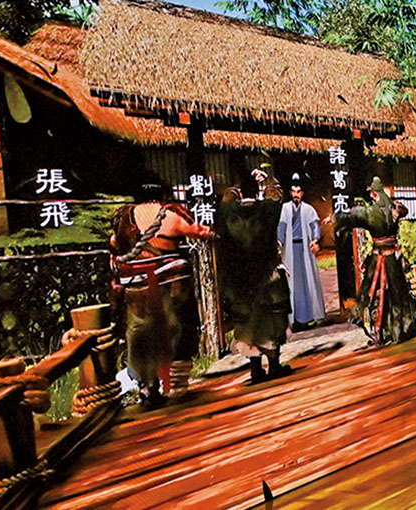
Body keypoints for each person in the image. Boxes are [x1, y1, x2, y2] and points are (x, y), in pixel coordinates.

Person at [110, 181, 214, 408]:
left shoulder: (124, 217)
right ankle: (173, 385)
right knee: (176, 328)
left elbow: (114, 242)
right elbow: (196, 231)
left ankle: (147, 387)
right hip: (170, 285)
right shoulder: (170, 214)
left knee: (140, 333)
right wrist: (210, 233)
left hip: (136, 287)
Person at [218, 168, 293, 383]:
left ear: (240, 194)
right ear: (257, 192)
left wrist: (234, 188)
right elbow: (276, 195)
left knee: (247, 322)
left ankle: (255, 368)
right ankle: (274, 365)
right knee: (272, 320)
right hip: (267, 275)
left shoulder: (229, 214)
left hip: (241, 279)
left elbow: (224, 202)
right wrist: (267, 179)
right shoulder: (267, 210)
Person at [330, 176, 416, 344]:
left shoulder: (371, 212)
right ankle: (399, 331)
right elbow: (404, 211)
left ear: (374, 193)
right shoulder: (395, 207)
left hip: (378, 258)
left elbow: (352, 216)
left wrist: (335, 218)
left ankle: (377, 329)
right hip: (393, 258)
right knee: (397, 294)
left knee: (370, 291)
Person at [278, 173, 325, 330]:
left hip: (304, 250)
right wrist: (279, 243)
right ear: (290, 193)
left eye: (298, 192)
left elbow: (315, 226)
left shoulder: (308, 209)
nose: (296, 194)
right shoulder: (285, 209)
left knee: (307, 283)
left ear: (302, 193)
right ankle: (293, 319)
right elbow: (281, 228)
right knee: (292, 284)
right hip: (290, 250)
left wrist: (315, 239)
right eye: (293, 191)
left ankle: (310, 317)